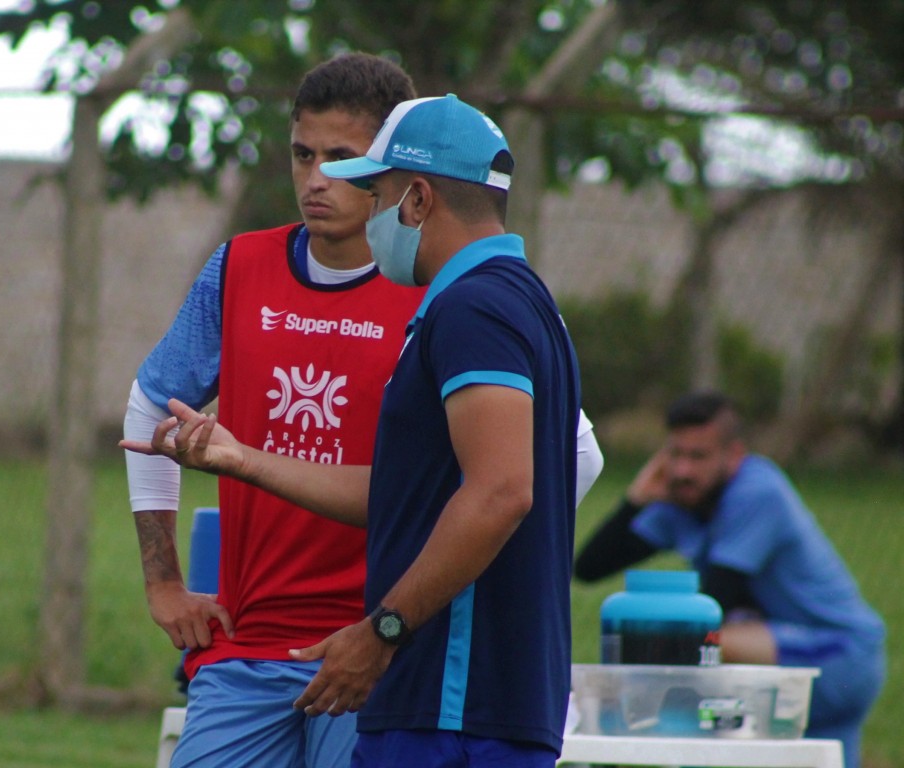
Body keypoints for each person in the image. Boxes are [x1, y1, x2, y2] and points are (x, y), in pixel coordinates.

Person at [125, 93, 583, 768]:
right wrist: (244, 462)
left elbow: (505, 492)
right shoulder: (511, 296)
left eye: (369, 183)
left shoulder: (469, 307)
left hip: (431, 682)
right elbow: (413, 493)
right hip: (363, 665)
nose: (325, 183)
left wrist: (396, 618)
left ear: (417, 198)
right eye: (305, 156)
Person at [574, 390, 886, 768]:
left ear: (734, 455)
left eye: (698, 456)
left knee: (684, 646)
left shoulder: (758, 492)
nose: (683, 471)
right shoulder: (685, 500)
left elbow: (712, 605)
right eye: (676, 455)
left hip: (839, 653)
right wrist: (636, 499)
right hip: (780, 649)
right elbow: (589, 568)